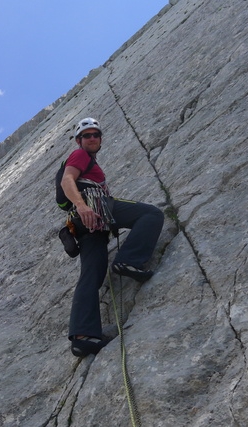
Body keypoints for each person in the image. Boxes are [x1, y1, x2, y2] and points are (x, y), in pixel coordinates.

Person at [61, 117, 164, 357]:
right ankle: (129, 260)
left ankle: (83, 337)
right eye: (87, 135)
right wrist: (83, 205)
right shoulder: (80, 156)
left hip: (86, 224)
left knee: (91, 275)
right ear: (79, 140)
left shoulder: (88, 161)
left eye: (96, 134)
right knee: (151, 214)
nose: (93, 138)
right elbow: (67, 180)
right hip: (92, 210)